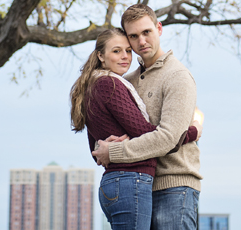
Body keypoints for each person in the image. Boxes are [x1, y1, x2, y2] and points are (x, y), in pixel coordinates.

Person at [70, 28, 200, 230]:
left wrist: (113, 148)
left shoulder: (95, 84)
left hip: (115, 183)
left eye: (128, 51)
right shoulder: (110, 84)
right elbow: (148, 133)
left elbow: (95, 148)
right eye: (116, 51)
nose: (125, 57)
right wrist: (194, 130)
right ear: (100, 56)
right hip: (130, 181)